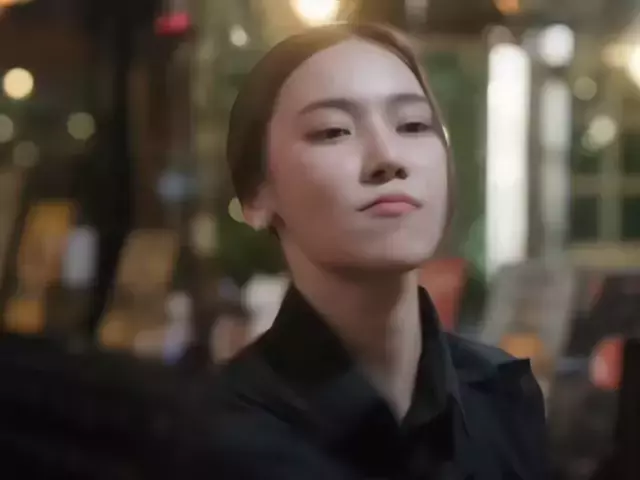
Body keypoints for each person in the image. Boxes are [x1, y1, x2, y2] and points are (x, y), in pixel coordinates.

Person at [206, 22, 548, 479]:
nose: (388, 157)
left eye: (413, 125)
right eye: (333, 131)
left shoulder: (503, 397)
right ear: (256, 196)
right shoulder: (220, 440)